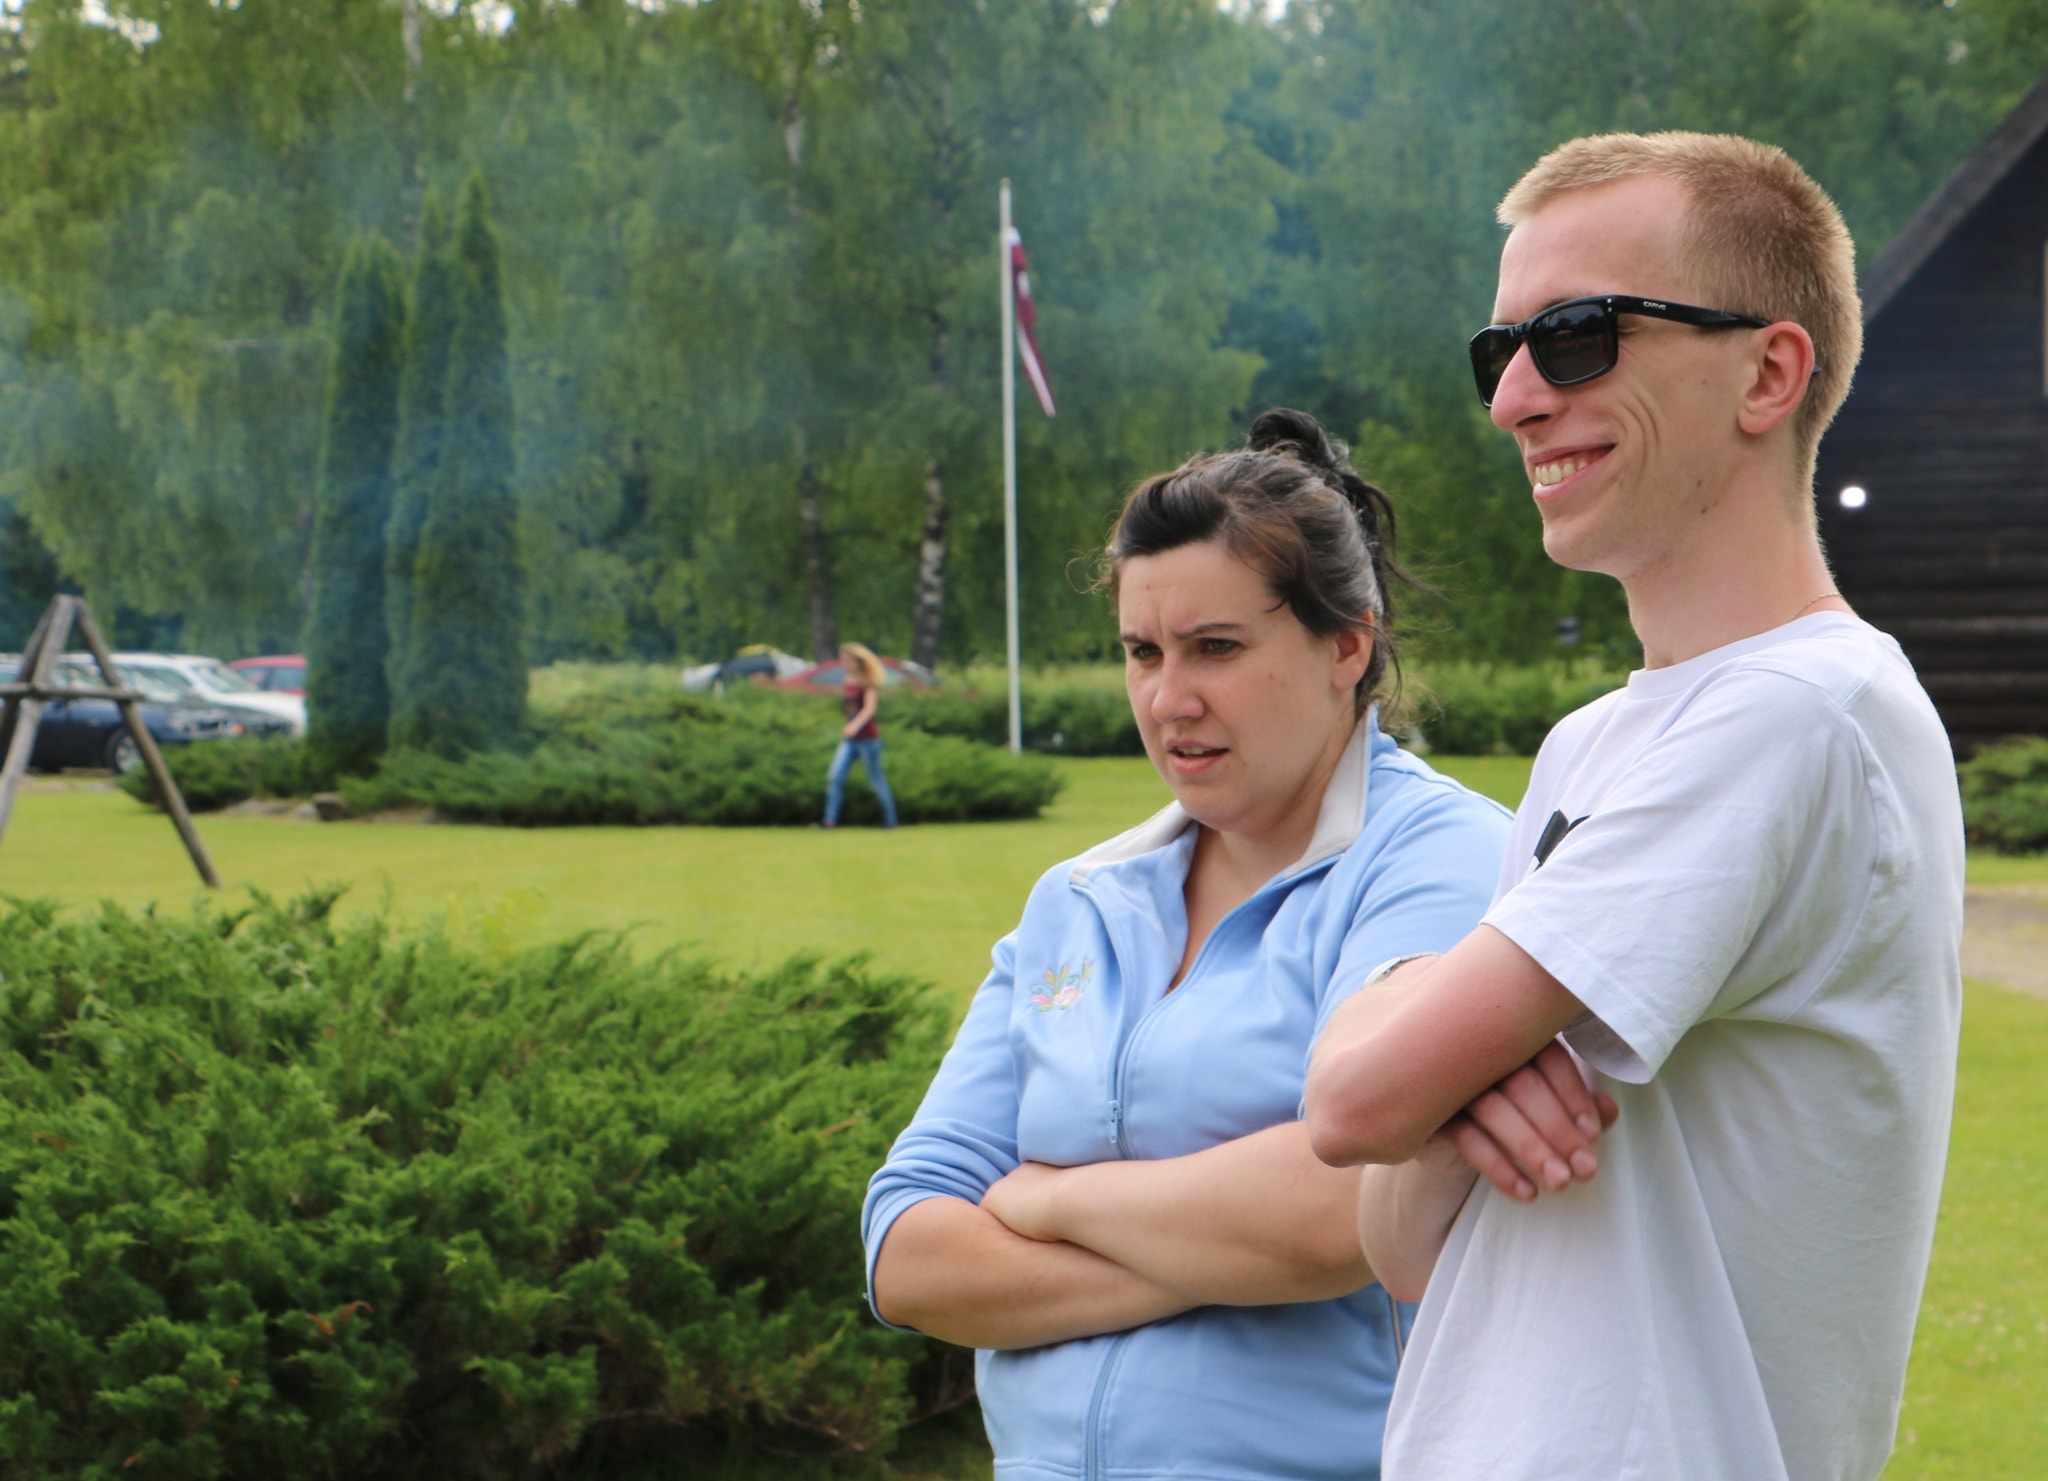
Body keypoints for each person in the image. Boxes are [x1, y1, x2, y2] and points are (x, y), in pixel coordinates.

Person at [1303, 133, 1965, 1481]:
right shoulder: (1593, 743)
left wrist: (1410, 1030)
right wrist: (1449, 1068)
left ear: (1767, 373)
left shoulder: (1799, 714)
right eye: (1500, 351)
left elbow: (1353, 1102)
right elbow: (1402, 1238)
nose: (1515, 400)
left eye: (1576, 336)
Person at [861, 409, 1531, 1481]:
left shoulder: (1444, 860)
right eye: (1142, 652)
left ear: (1346, 644)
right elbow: (905, 1253)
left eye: (1216, 647)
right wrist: (1226, 1247)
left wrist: (1046, 1198)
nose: (1169, 699)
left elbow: (1340, 1202)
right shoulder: (1076, 900)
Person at [820, 641, 898, 829]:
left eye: (848, 660)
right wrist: (847, 726)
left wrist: (855, 725)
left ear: (857, 661)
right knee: (835, 777)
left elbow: (869, 709)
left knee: (876, 781)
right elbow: (849, 708)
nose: (845, 664)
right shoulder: (847, 680)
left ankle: (890, 821)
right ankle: (829, 821)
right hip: (850, 740)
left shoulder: (868, 682)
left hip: (868, 739)